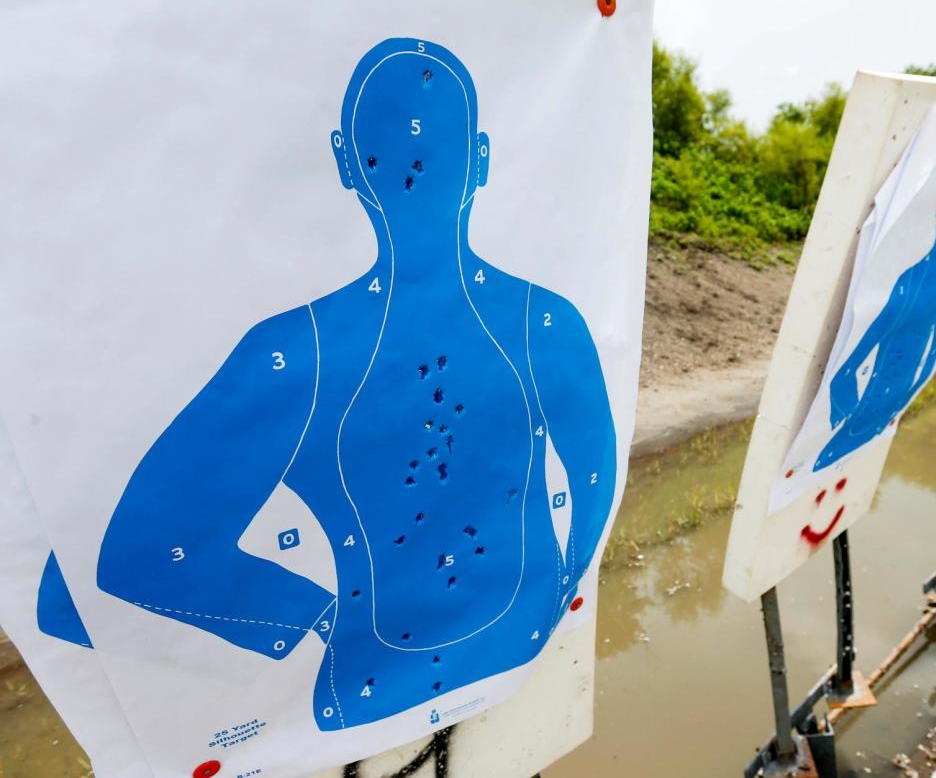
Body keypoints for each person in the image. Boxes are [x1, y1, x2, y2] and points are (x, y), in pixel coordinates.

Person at [92, 39, 617, 730]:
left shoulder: (298, 352)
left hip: (381, 691)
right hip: (508, 664)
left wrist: (313, 616)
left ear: (346, 159)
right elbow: (594, 486)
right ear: (482, 158)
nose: (415, 167)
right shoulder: (542, 322)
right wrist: (548, 602)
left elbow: (142, 554)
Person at [814, 153, 936, 472]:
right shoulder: (911, 271)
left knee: (846, 451)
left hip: (901, 381)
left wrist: (910, 391)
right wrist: (846, 370)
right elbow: (881, 324)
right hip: (879, 371)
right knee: (831, 454)